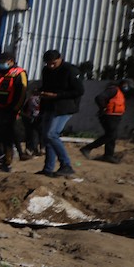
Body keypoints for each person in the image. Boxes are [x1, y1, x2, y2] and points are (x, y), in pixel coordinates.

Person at [37, 49, 84, 177]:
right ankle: (48, 169)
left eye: (53, 63)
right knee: (46, 137)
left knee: (52, 134)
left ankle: (66, 165)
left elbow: (79, 91)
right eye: (48, 64)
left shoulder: (70, 70)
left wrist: (57, 95)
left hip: (65, 107)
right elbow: (46, 87)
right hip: (49, 106)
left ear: (60, 59)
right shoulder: (46, 71)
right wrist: (40, 92)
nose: (51, 66)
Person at [0, 53, 28, 171]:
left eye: (4, 62)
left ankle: (7, 161)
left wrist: (15, 109)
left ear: (11, 61)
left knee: (7, 137)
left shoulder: (20, 73)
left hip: (8, 110)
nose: (1, 64)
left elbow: (22, 93)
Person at [81, 78, 130, 163]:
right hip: (108, 116)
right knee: (111, 135)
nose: (127, 88)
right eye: (126, 85)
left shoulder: (120, 93)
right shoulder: (113, 90)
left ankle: (108, 155)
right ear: (123, 84)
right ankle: (88, 148)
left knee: (113, 135)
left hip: (115, 117)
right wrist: (103, 108)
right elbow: (99, 97)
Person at [20, 88, 42, 159]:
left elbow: (25, 109)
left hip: (31, 118)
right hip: (37, 118)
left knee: (32, 134)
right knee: (37, 134)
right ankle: (38, 149)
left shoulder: (31, 99)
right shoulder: (40, 99)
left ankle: (31, 149)